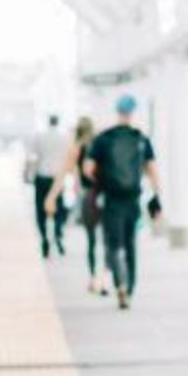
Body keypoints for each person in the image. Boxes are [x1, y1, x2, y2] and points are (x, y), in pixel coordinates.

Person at [82, 95, 164, 310]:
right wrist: (157, 196)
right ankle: (129, 287)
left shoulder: (103, 139)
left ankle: (119, 282)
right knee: (130, 243)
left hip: (111, 199)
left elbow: (88, 169)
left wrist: (101, 180)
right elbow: (153, 171)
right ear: (132, 112)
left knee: (113, 244)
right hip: (132, 199)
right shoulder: (141, 138)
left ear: (117, 112)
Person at [67, 117, 107, 294]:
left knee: (91, 240)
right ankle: (104, 279)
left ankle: (92, 279)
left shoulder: (77, 147)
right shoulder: (100, 145)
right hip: (103, 195)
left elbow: (72, 172)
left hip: (87, 195)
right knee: (105, 240)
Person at [30, 112, 72, 258]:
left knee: (40, 210)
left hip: (42, 177)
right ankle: (58, 233)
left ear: (49, 122)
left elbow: (34, 157)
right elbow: (68, 160)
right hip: (57, 179)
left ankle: (44, 238)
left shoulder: (40, 137)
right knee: (59, 209)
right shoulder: (65, 139)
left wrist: (28, 174)